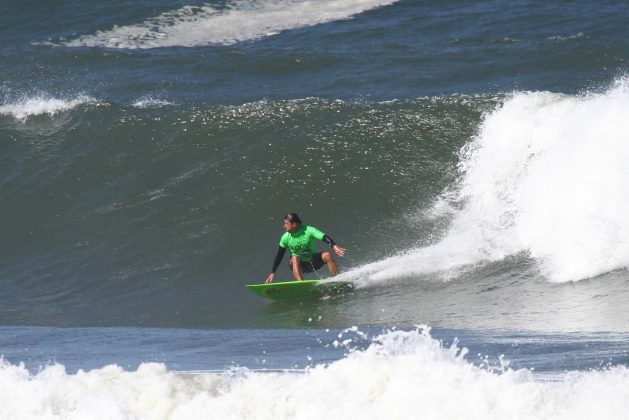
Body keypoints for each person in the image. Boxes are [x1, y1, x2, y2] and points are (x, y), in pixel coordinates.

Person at [265, 213, 345, 283]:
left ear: (294, 224)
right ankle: (302, 284)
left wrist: (334, 245)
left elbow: (323, 237)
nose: (284, 226)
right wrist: (273, 272)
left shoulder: (309, 230)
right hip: (300, 265)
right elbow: (279, 255)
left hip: (313, 261)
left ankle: (337, 280)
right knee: (295, 257)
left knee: (327, 255)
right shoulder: (285, 237)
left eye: (286, 223)